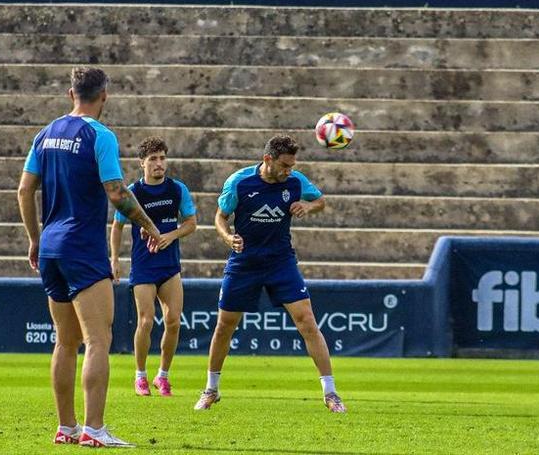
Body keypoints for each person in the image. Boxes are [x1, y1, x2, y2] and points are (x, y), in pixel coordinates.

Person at [17, 67, 163, 448]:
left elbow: (23, 190)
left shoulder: (45, 133)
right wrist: (148, 225)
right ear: (105, 96)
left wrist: (35, 239)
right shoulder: (101, 135)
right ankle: (94, 430)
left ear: (71, 94)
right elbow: (116, 192)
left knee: (65, 342)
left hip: (50, 247)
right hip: (82, 247)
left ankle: (66, 427)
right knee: (98, 340)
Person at [193, 135, 346, 413]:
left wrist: (308, 206)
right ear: (268, 160)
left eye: (292, 165)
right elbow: (219, 216)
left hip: (280, 262)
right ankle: (211, 389)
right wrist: (228, 237)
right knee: (225, 325)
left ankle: (331, 393)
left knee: (307, 322)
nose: (289, 170)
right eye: (285, 165)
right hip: (245, 262)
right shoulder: (239, 182)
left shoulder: (296, 181)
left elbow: (321, 201)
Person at [109, 136, 197, 397]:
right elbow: (117, 226)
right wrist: (114, 259)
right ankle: (140, 375)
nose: (159, 164)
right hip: (144, 266)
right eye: (153, 159)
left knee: (173, 321)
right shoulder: (134, 193)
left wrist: (171, 236)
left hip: (169, 266)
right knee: (145, 321)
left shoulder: (177, 189)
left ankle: (163, 375)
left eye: (162, 158)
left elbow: (191, 223)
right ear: (142, 164)